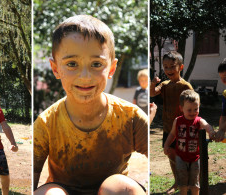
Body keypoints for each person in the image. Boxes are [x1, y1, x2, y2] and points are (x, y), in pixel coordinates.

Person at [34, 15, 148, 195]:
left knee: (120, 187)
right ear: (56, 69)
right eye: (72, 64)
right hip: (63, 190)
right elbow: (33, 180)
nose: (85, 76)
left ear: (111, 68)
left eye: (96, 64)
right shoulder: (47, 123)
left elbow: (161, 153)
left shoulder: (130, 117)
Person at [150, 51, 193, 193]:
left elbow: (195, 106)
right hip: (168, 128)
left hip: (183, 129)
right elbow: (152, 93)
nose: (168, 70)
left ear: (181, 67)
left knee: (183, 157)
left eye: (172, 66)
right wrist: (153, 84)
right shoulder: (165, 84)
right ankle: (177, 182)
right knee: (170, 154)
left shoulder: (185, 86)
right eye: (165, 67)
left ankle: (186, 183)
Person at [164, 89, 215, 195]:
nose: (193, 112)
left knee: (195, 182)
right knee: (182, 182)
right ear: (181, 108)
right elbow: (172, 134)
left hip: (195, 158)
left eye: (196, 109)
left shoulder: (199, 121)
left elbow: (207, 125)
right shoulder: (177, 121)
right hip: (180, 157)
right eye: (189, 110)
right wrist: (166, 145)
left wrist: (210, 131)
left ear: (199, 106)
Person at [216, 58, 226, 142]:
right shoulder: (225, 94)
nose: (223, 81)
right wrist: (221, 130)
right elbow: (224, 115)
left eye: (225, 77)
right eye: (221, 77)